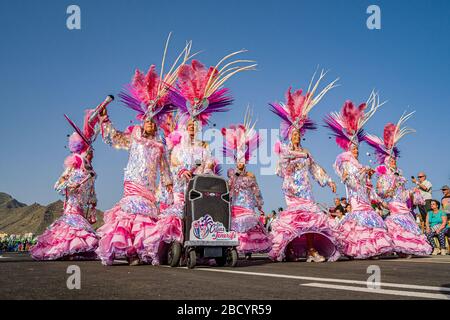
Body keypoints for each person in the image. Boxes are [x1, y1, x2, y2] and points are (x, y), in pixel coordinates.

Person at [147, 52, 256, 263]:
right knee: (178, 216)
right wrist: (182, 172)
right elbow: (175, 163)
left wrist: (203, 174)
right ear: (185, 126)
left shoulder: (205, 148)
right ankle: (176, 246)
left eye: (195, 126)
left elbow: (209, 166)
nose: (192, 128)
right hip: (181, 189)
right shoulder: (178, 147)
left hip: (198, 190)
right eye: (189, 125)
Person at [95, 60, 179, 266]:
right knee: (129, 215)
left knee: (144, 220)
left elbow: (165, 168)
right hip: (133, 183)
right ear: (142, 120)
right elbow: (113, 139)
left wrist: (169, 186)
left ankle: (139, 251)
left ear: (157, 123)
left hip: (149, 188)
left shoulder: (160, 144)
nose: (149, 123)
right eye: (147, 120)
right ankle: (129, 252)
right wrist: (105, 121)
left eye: (153, 121)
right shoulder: (134, 136)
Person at [268, 70, 340, 263]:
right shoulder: (285, 151)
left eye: (298, 134)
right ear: (289, 135)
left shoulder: (306, 152)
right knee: (294, 220)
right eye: (293, 134)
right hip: (292, 189)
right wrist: (296, 156)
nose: (296, 137)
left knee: (309, 219)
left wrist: (329, 181)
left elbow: (315, 168)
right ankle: (289, 249)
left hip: (306, 189)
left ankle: (309, 250)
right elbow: (278, 169)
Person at [325, 91, 393, 259]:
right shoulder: (344, 160)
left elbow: (365, 180)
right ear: (348, 148)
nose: (356, 150)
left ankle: (372, 248)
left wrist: (368, 174)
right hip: (355, 195)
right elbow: (347, 177)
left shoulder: (359, 163)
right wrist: (362, 173)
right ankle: (355, 249)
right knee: (359, 220)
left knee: (370, 218)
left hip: (363, 195)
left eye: (357, 148)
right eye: (353, 147)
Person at [31, 108, 100, 261]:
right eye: (89, 150)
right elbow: (57, 185)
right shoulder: (73, 166)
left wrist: (93, 205)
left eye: (92, 150)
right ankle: (68, 250)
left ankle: (75, 250)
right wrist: (70, 186)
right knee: (72, 230)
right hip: (71, 208)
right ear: (82, 149)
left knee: (83, 233)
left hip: (82, 210)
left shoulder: (91, 172)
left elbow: (92, 193)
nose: (91, 153)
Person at [365, 112, 431, 258]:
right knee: (396, 226)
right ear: (387, 162)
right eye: (391, 160)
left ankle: (408, 248)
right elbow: (382, 192)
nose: (394, 162)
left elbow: (403, 191)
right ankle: (398, 248)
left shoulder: (399, 174)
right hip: (394, 205)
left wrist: (411, 192)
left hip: (403, 204)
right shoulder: (383, 175)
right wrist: (393, 185)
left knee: (408, 226)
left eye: (395, 160)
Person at [222, 109, 272, 259]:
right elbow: (229, 187)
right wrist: (236, 174)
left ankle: (248, 249)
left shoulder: (251, 175)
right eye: (239, 160)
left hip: (249, 204)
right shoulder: (232, 173)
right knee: (239, 225)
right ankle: (237, 247)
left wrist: (260, 205)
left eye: (243, 161)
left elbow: (257, 191)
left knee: (250, 225)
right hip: (237, 204)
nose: (241, 163)